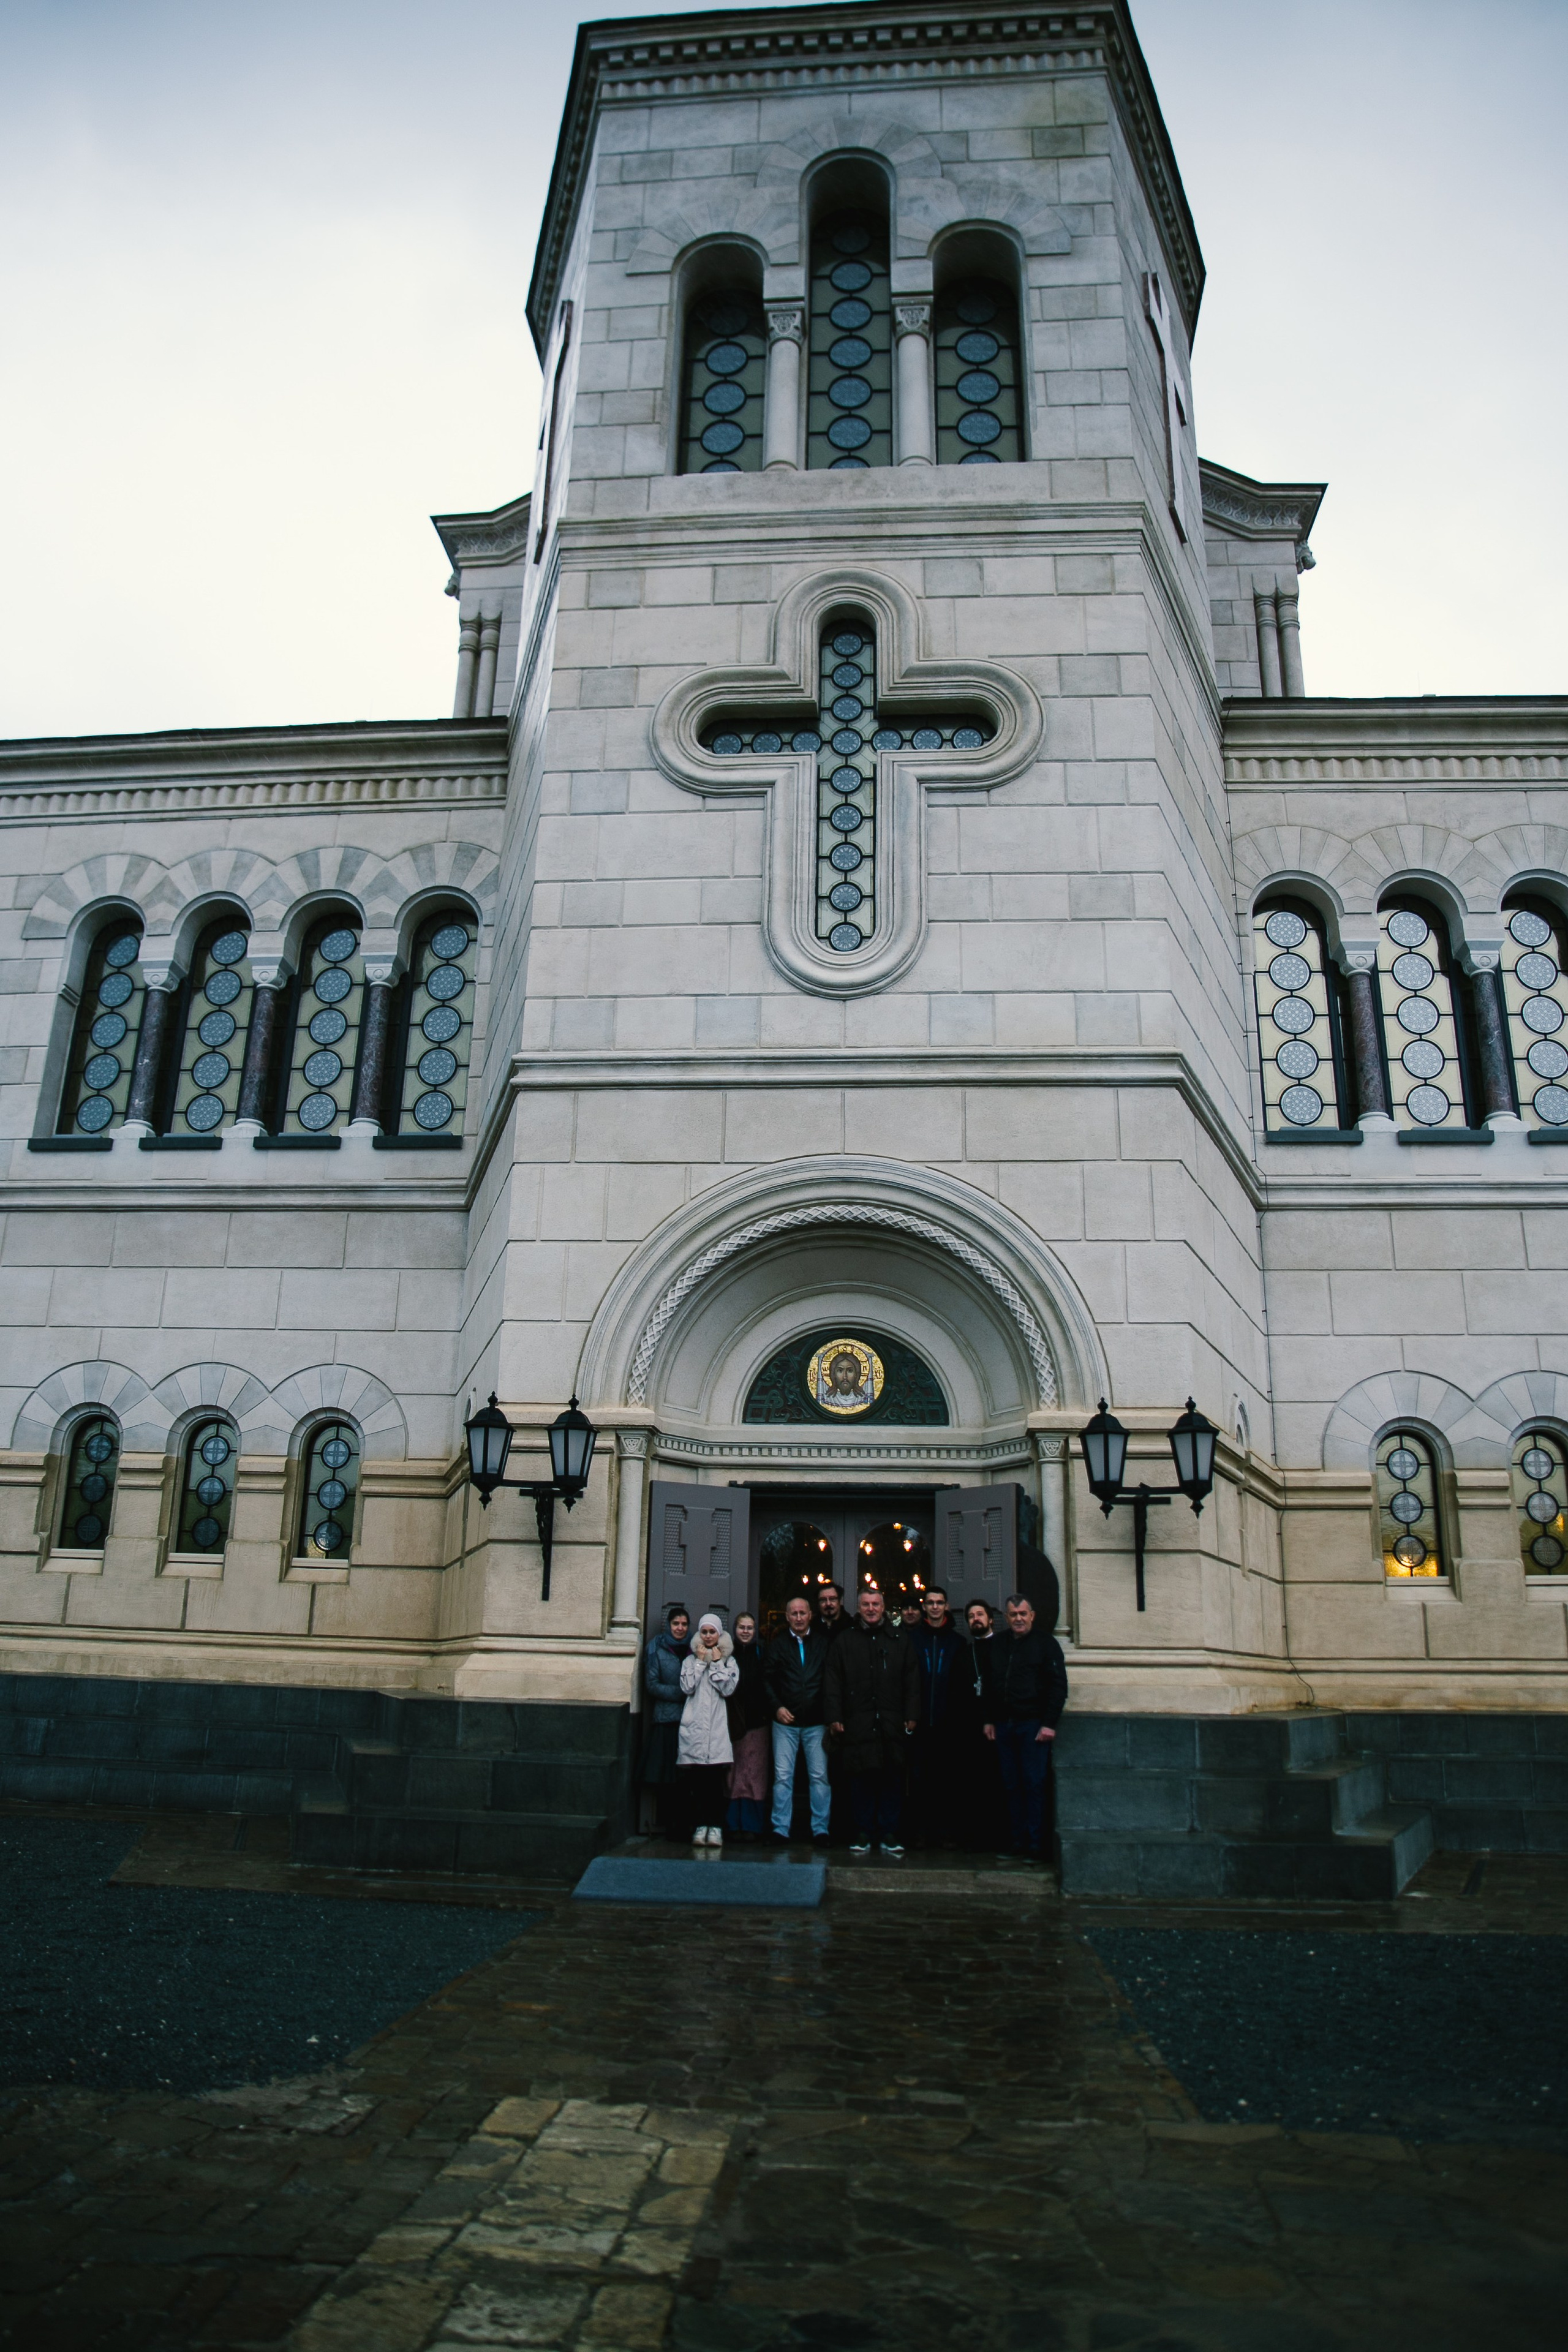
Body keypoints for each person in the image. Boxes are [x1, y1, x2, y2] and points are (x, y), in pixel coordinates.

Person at [824, 1585, 920, 1856]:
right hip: (857, 1724)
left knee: (892, 1780)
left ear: (883, 1607)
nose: (871, 1609)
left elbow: (912, 1680)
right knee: (860, 1781)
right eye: (866, 1605)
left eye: (875, 1604)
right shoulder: (845, 1640)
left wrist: (912, 1715)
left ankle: (889, 1832)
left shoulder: (899, 1639)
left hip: (892, 1724)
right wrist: (835, 1717)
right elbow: (833, 1681)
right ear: (858, 1607)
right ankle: (862, 1832)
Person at [982, 1593, 1068, 1863]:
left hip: (1033, 1726)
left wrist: (1049, 1724)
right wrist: (989, 1719)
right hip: (1004, 1726)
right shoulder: (998, 1645)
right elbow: (989, 1684)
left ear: (1032, 1616)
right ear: (1006, 1617)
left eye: (1023, 1614)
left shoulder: (1046, 1644)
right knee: (1011, 1785)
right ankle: (1017, 1842)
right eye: (1013, 1614)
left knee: (1033, 1785)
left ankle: (1035, 1846)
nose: (1018, 1619)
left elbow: (1058, 1686)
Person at [765, 1593, 831, 1846]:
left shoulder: (823, 1644)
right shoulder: (778, 1645)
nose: (799, 1618)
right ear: (787, 1616)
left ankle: (821, 1829)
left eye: (803, 1613)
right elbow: (767, 1680)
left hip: (816, 1722)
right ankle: (780, 1829)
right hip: (786, 1723)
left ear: (811, 1615)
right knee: (783, 1778)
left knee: (820, 1777)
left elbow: (831, 1680)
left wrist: (828, 1713)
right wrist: (777, 1707)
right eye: (794, 1613)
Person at [906, 1583, 966, 1849]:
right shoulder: (911, 1640)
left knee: (947, 1780)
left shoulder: (957, 1642)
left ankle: (945, 1833)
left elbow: (962, 1686)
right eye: (930, 1602)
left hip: (947, 1724)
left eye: (939, 1602)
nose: (934, 1607)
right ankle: (918, 1832)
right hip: (919, 1724)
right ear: (924, 1607)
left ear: (946, 1606)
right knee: (918, 1779)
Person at [678, 1611, 739, 1847]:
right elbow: (686, 1686)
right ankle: (700, 1825)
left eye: (712, 1631)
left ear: (719, 1633)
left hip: (716, 1730)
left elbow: (728, 1689)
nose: (708, 1636)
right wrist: (699, 1664)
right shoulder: (689, 1660)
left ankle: (716, 1827)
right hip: (695, 1730)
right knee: (698, 1783)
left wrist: (714, 1663)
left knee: (715, 1783)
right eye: (704, 1632)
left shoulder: (728, 1661)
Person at [954, 1599, 1005, 1852]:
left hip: (997, 1727)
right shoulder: (965, 1652)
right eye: (971, 1616)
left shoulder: (1004, 1648)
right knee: (971, 1783)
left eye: (980, 1614)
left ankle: (997, 1837)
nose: (976, 1619)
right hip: (969, 1728)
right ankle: (972, 1838)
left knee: (996, 1783)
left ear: (991, 1619)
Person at [640, 1605, 690, 1834]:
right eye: (676, 1624)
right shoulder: (656, 1649)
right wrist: (681, 1693)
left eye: (684, 1624)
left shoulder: (694, 1649)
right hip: (666, 1721)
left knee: (685, 1777)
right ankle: (667, 1825)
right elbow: (651, 1685)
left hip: (689, 1722)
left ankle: (684, 1825)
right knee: (667, 1776)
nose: (680, 1628)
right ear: (668, 1625)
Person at [725, 1611, 772, 1840]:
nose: (745, 1632)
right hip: (732, 1724)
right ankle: (733, 1824)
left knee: (754, 1774)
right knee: (733, 1774)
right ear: (735, 1630)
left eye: (750, 1628)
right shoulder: (727, 1655)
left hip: (757, 1723)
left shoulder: (762, 1654)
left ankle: (752, 1825)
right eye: (742, 1627)